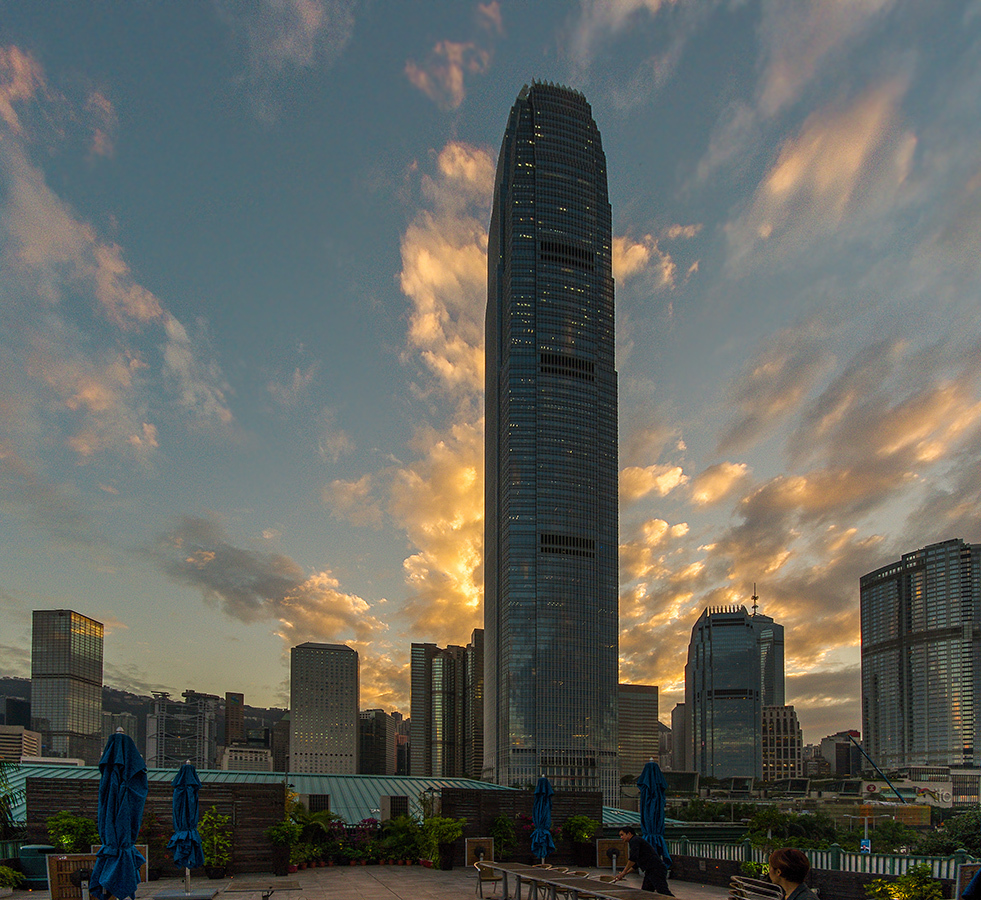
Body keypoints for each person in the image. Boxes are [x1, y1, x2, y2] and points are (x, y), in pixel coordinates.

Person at [614, 826, 673, 896]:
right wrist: (624, 874)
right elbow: (636, 864)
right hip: (650, 870)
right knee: (646, 892)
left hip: (656, 869)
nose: (621, 837)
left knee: (663, 891)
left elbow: (633, 858)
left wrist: (623, 872)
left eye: (622, 835)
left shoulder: (634, 840)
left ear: (629, 834)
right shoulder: (635, 841)